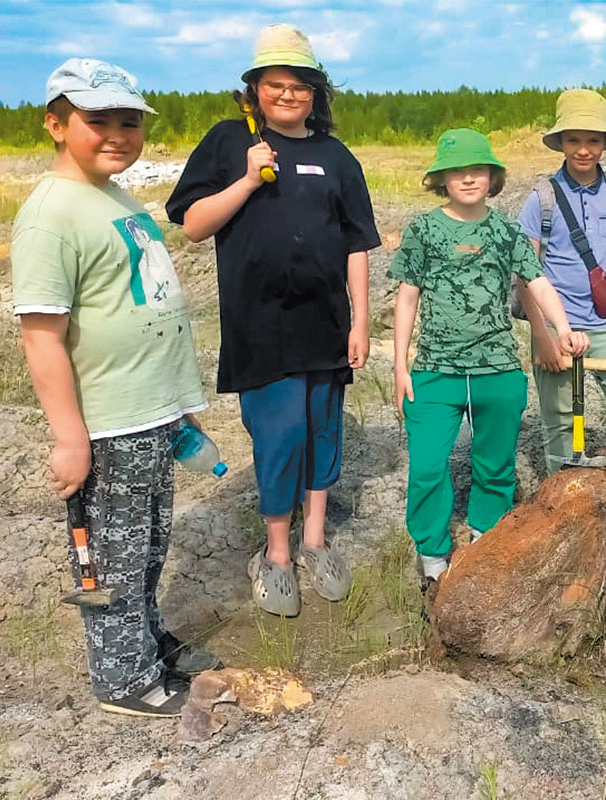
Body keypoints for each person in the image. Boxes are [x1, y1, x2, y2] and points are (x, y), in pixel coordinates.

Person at [13, 58, 218, 717]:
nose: (117, 134)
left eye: (128, 121)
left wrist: (177, 410)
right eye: (96, 120)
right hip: (107, 425)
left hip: (150, 415)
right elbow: (42, 336)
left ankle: (146, 647)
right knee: (112, 561)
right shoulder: (51, 215)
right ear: (55, 124)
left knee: (150, 545)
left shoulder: (117, 198)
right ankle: (124, 682)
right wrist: (70, 438)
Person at [166, 24, 381, 617]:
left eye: (300, 87)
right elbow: (193, 225)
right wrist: (246, 177)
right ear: (255, 89)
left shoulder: (336, 157)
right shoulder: (229, 141)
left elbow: (356, 245)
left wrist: (361, 321)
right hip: (259, 325)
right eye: (275, 85)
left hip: (326, 324)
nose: (288, 96)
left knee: (321, 433)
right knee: (281, 435)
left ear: (317, 93)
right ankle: (277, 554)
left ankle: (315, 542)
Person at [391, 129, 589, 587]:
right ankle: (433, 556)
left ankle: (485, 541)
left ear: (492, 177)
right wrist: (401, 365)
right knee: (426, 466)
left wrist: (563, 329)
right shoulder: (423, 230)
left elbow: (537, 282)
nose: (468, 178)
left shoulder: (505, 231)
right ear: (441, 178)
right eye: (457, 171)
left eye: (477, 170)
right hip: (435, 370)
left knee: (494, 462)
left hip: (497, 367)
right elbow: (407, 297)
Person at [516, 89, 606, 473]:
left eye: (593, 140)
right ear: (560, 142)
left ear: (605, 143)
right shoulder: (540, 199)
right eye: (574, 139)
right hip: (556, 328)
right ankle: (563, 502)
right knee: (560, 424)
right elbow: (524, 271)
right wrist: (542, 336)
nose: (583, 150)